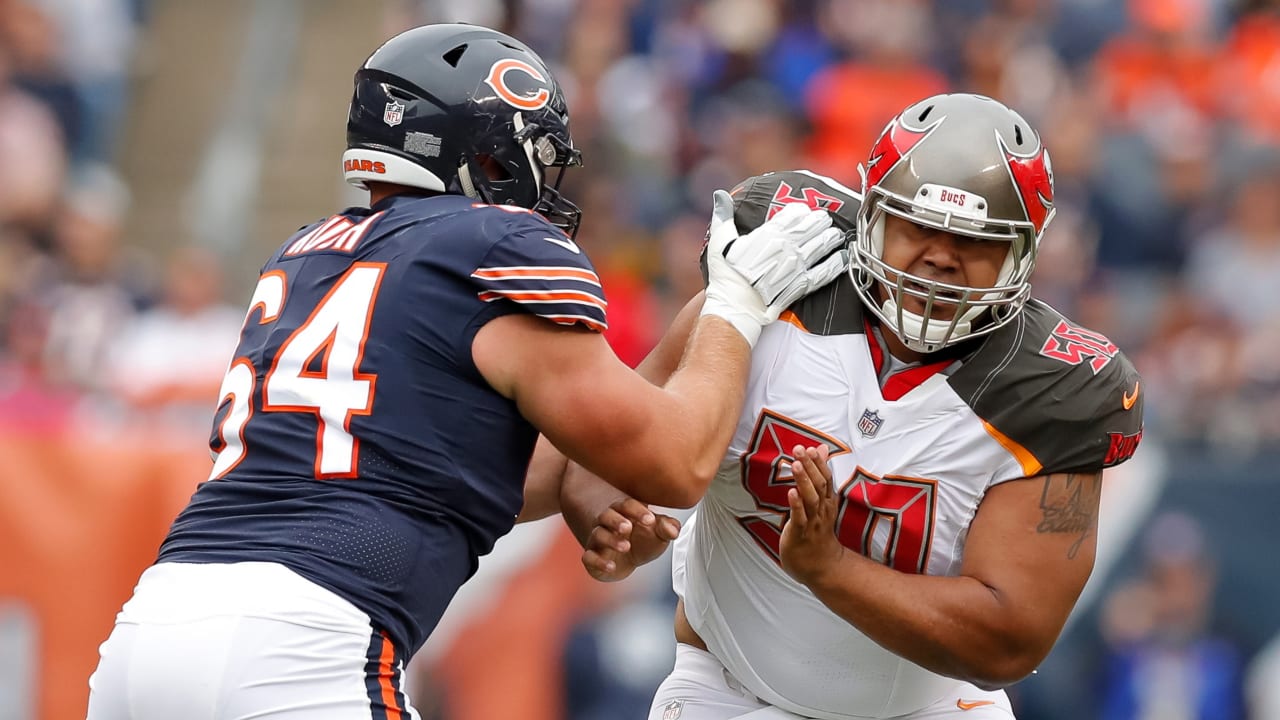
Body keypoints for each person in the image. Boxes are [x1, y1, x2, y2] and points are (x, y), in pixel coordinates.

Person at [84, 23, 846, 719]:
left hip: (147, 631)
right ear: (486, 151)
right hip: (304, 644)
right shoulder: (492, 243)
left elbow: (449, 474)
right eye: (535, 156)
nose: (543, 184)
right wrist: (737, 306)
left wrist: (593, 474)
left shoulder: (308, 251)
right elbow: (678, 461)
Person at [571, 94, 1146, 720]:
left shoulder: (1051, 391)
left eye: (973, 241)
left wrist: (830, 568)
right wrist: (609, 519)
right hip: (729, 692)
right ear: (871, 215)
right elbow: (612, 444)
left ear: (1022, 255)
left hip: (935, 708)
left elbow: (1008, 640)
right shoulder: (775, 283)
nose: (941, 256)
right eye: (919, 225)